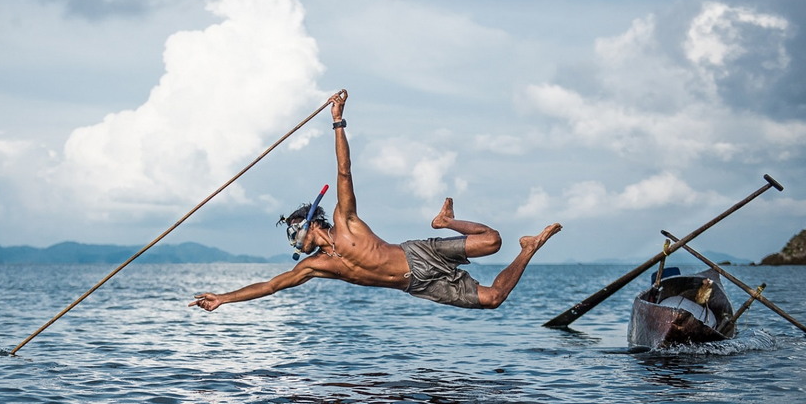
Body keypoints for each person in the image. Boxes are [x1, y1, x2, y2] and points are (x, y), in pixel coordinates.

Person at [189, 91, 561, 312]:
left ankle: (445, 221)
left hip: (420, 255)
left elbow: (345, 170)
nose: (293, 243)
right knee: (494, 299)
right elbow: (271, 286)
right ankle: (529, 248)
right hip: (419, 285)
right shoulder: (316, 266)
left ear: (312, 224)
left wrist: (338, 121)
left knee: (493, 240)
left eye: (292, 232)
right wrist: (224, 299)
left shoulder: (346, 222)